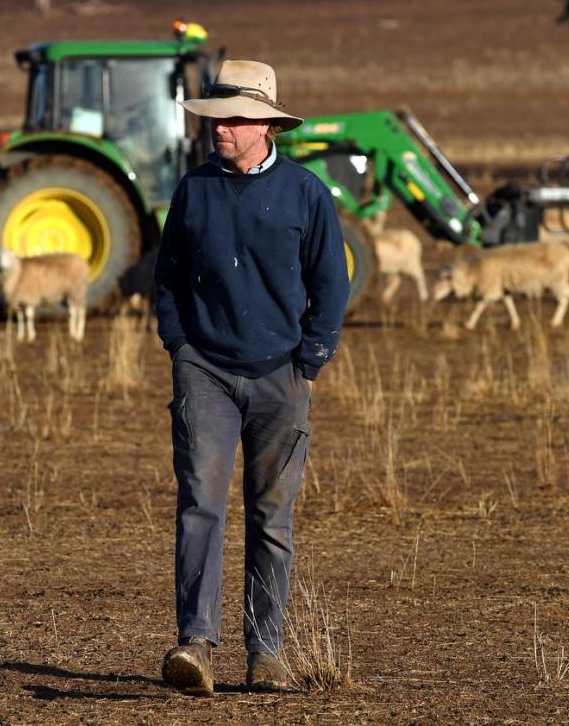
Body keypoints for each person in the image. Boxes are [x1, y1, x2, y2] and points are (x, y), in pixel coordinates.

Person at [153, 60, 350, 696]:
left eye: (234, 119)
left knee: (271, 518)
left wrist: (310, 361)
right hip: (204, 372)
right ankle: (196, 646)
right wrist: (180, 347)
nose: (221, 130)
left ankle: (266, 653)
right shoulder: (193, 190)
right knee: (200, 507)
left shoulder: (307, 193)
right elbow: (168, 277)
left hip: (280, 376)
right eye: (216, 119)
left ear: (266, 125)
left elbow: (330, 281)